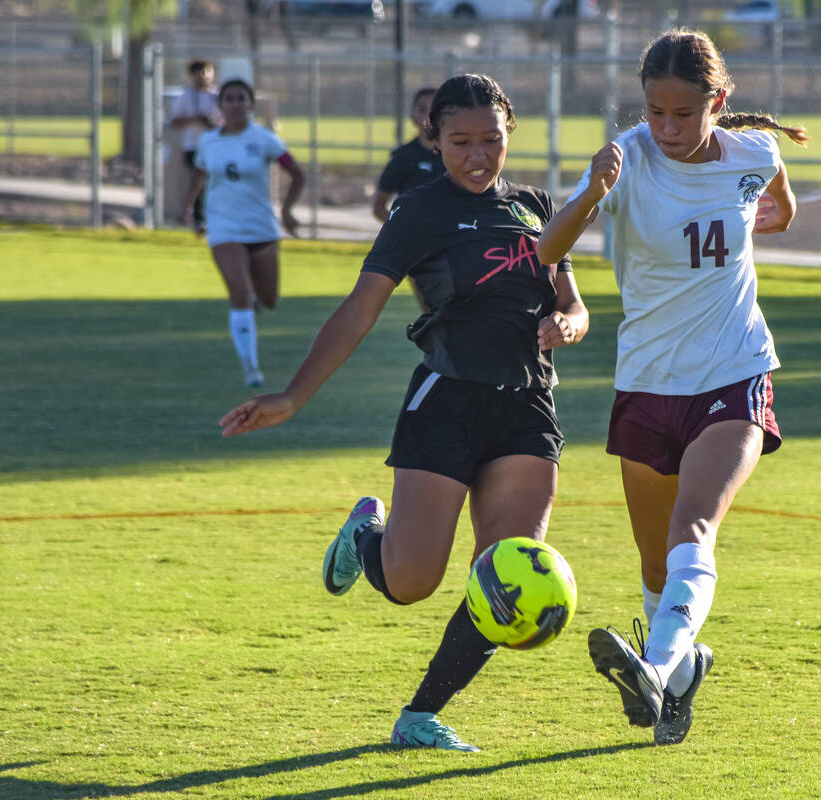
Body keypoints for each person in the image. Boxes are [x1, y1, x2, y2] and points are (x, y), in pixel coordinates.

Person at [217, 74, 588, 752]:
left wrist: (570, 323)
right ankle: (366, 536)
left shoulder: (535, 205)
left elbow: (573, 300)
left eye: (491, 140)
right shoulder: (418, 211)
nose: (478, 156)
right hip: (446, 402)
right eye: (461, 142)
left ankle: (419, 715)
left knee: (504, 575)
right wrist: (292, 397)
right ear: (435, 139)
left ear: (510, 136)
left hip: (529, 407)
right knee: (412, 583)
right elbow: (359, 311)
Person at [537, 29, 809, 747]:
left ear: (717, 102)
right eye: (654, 112)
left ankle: (655, 670)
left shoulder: (756, 153)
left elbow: (779, 208)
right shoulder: (625, 161)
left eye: (683, 114)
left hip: (735, 373)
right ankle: (681, 671)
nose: (666, 128)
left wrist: (742, 233)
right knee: (656, 567)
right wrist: (593, 191)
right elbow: (547, 250)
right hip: (648, 382)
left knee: (695, 526)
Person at [181, 78, 306, 389]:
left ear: (251, 104)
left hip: (261, 227)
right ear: (220, 105)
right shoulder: (209, 142)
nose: (235, 105)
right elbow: (199, 172)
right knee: (238, 288)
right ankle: (251, 367)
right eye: (229, 99)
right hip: (224, 227)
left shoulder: (264, 139)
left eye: (241, 99)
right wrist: (188, 208)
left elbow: (297, 173)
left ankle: (252, 299)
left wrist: (288, 211)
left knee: (269, 299)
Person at [371, 87, 446, 223]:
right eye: (422, 109)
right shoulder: (403, 156)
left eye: (434, 108)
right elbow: (379, 206)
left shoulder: (457, 154)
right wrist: (403, 228)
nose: (429, 115)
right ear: (413, 117)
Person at [169, 60, 223, 234]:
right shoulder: (185, 97)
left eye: (207, 71)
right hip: (194, 146)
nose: (203, 76)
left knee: (217, 183)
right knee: (199, 183)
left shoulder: (219, 96)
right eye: (198, 72)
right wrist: (195, 119)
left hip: (217, 147)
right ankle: (199, 221)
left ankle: (217, 218)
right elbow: (175, 122)